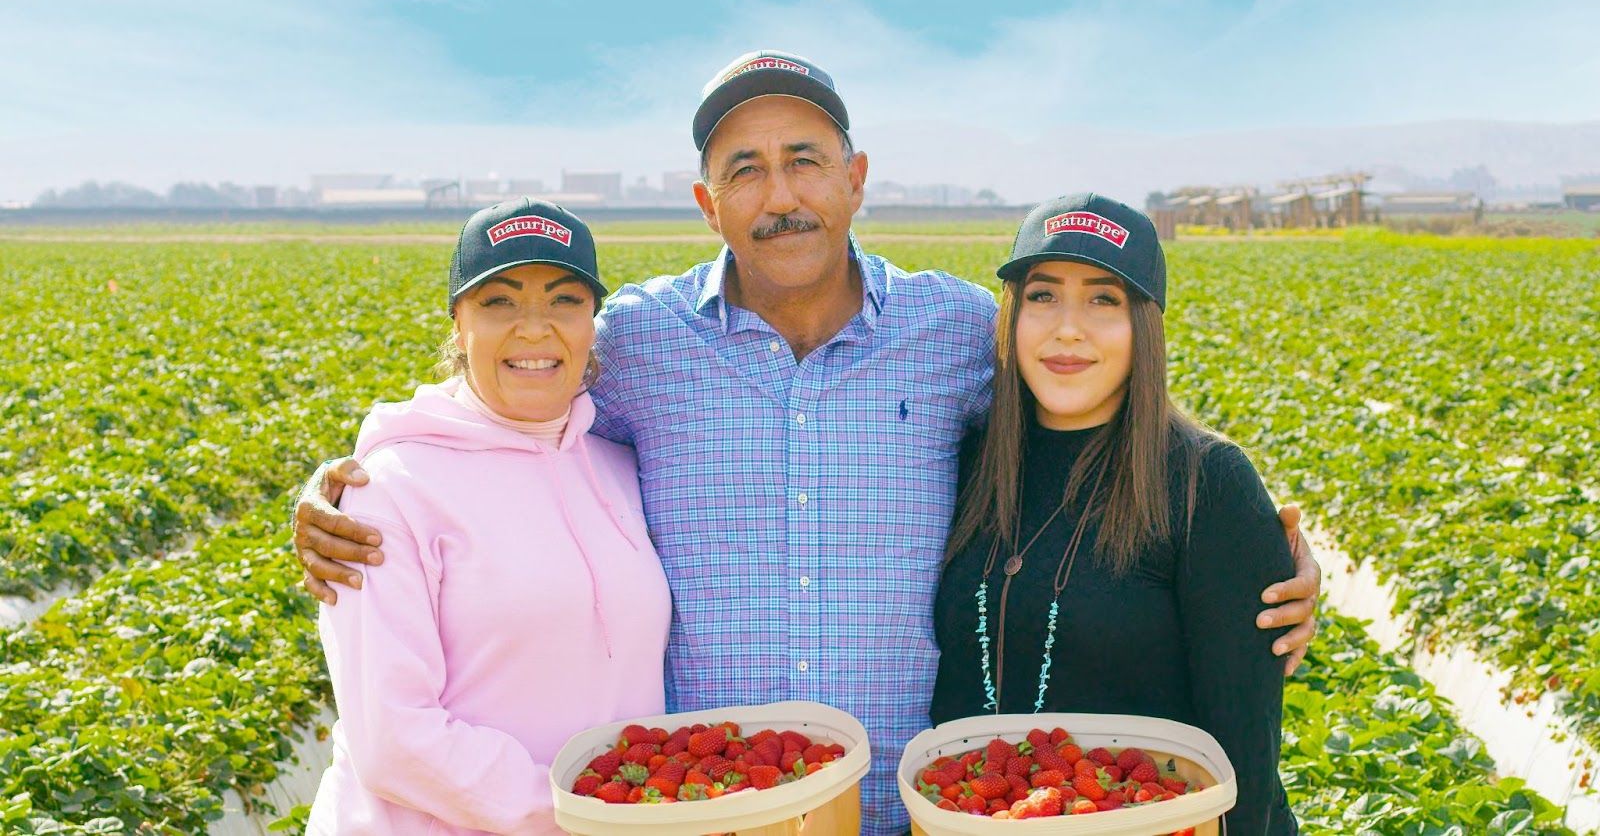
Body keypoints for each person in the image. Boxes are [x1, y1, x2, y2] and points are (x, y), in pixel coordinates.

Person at [291, 51, 1322, 836]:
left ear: (856, 178)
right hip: (714, 808)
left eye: (804, 162)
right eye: (745, 170)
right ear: (707, 203)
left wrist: (1245, 546)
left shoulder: (959, 334)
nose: (779, 195)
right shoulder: (638, 345)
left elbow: (1097, 416)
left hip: (906, 802)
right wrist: (358, 478)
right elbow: (509, 396)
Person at [932, 194, 1296, 832]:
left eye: (1104, 299)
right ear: (1012, 316)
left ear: (1144, 324)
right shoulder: (963, 463)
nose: (1068, 328)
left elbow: (1247, 758)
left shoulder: (1206, 484)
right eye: (1043, 296)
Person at [305, 199, 670, 834]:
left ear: (593, 322)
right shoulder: (387, 490)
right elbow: (394, 738)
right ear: (458, 322)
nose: (534, 328)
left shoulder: (619, 467)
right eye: (498, 302)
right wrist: (578, 811)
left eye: (565, 300)